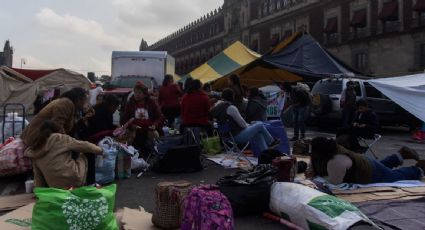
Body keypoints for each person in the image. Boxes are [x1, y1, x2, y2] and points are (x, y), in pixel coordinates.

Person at [308, 137, 424, 185]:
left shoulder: (336, 161)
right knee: (382, 167)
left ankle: (418, 169)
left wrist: (317, 177)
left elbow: (335, 181)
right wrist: (312, 170)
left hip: (367, 171)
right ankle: (400, 155)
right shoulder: (329, 149)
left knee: (392, 177)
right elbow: (313, 163)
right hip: (363, 162)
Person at [25, 120, 103, 188]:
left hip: (55, 186)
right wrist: (100, 150)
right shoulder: (60, 138)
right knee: (88, 152)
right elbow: (85, 146)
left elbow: (38, 176)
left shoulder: (36, 147)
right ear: (57, 129)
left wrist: (39, 191)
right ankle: (91, 184)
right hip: (73, 179)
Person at [211, 88, 279, 153]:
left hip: (226, 136)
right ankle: (271, 142)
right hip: (236, 137)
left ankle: (266, 154)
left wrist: (251, 125)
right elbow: (243, 125)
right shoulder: (231, 108)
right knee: (259, 124)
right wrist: (251, 125)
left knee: (258, 133)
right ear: (232, 97)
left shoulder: (217, 107)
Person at [21, 87, 90, 147]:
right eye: (85, 99)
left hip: (40, 137)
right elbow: (57, 125)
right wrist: (69, 144)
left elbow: (69, 126)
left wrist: (84, 117)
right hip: (36, 138)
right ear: (79, 99)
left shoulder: (68, 103)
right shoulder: (65, 103)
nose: (85, 102)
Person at [122, 81, 164, 152]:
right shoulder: (130, 103)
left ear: (145, 94)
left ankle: (154, 153)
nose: (136, 95)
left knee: (155, 135)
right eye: (135, 92)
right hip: (134, 129)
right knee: (127, 137)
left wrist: (154, 125)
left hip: (149, 129)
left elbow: (159, 117)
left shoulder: (151, 103)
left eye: (139, 93)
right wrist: (132, 126)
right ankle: (129, 155)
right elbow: (124, 119)